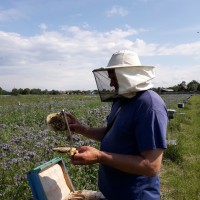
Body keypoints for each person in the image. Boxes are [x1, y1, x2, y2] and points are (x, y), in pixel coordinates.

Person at [67, 50, 168, 200]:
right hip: (113, 192)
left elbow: (151, 166)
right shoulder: (123, 100)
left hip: (136, 195)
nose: (111, 83)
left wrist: (100, 156)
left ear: (129, 77)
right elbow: (112, 133)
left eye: (114, 78)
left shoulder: (149, 106)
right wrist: (81, 129)